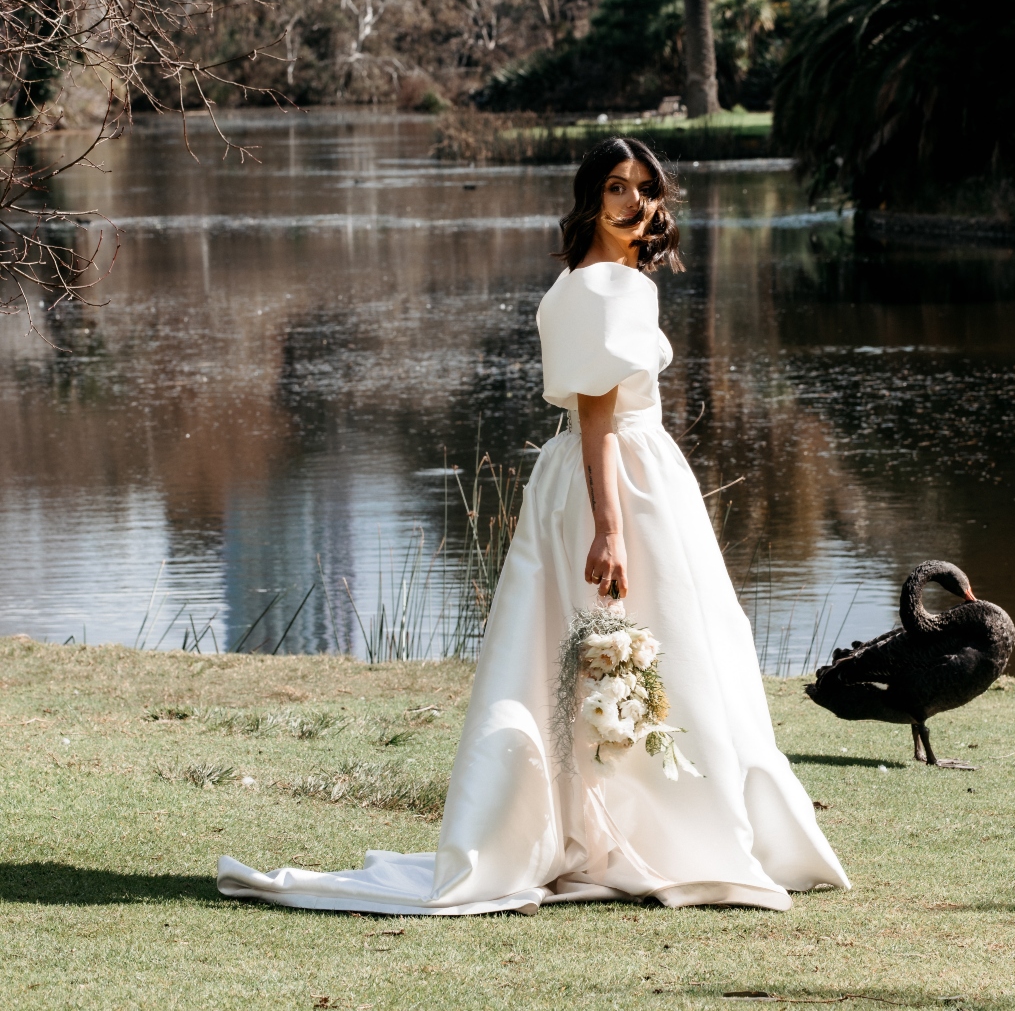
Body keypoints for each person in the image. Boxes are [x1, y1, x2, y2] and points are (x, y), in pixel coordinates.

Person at [217, 136, 848, 914]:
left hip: (613, 476)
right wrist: (610, 528)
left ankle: (613, 822)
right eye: (616, 187)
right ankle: (652, 827)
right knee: (638, 639)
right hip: (620, 481)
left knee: (635, 645)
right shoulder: (606, 285)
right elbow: (596, 416)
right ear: (591, 197)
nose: (634, 202)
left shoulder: (590, 280)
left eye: (645, 188)